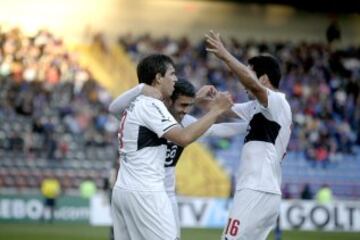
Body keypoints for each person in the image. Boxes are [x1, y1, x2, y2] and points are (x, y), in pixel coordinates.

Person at [110, 54, 233, 240]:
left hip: (123, 190)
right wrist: (217, 110)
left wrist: (195, 99)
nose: (175, 79)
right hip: (146, 192)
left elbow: (173, 110)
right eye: (172, 74)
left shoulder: (136, 104)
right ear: (159, 78)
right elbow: (183, 137)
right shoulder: (151, 106)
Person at [205, 31, 292, 240]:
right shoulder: (256, 108)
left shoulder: (277, 102)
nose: (244, 86)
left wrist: (225, 55)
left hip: (257, 188)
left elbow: (252, 85)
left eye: (249, 73)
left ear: (263, 78)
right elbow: (225, 109)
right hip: (261, 190)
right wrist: (205, 97)